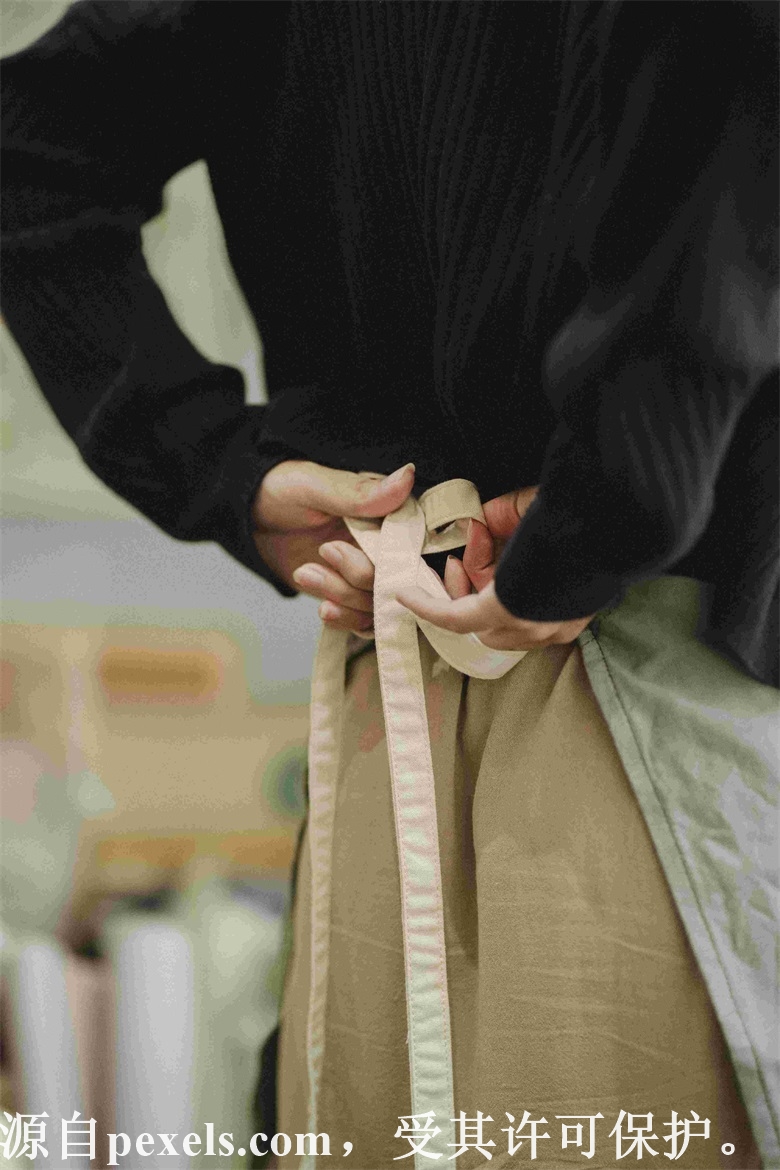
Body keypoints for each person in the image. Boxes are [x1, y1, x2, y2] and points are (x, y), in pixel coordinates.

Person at [2, 3, 777, 1166]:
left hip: (389, 731)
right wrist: (606, 511)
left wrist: (221, 471)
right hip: (653, 720)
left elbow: (27, 140)